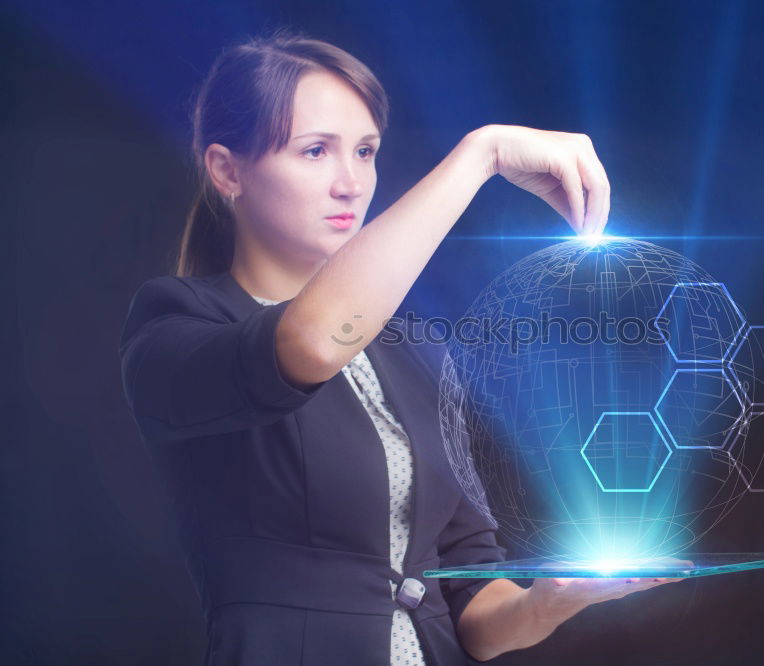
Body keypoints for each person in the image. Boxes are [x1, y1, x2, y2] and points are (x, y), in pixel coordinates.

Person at [119, 27, 684, 666]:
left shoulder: (407, 354)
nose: (350, 183)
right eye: (315, 152)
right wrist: (481, 156)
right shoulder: (177, 324)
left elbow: (469, 594)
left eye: (365, 152)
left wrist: (552, 600)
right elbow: (308, 341)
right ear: (226, 170)